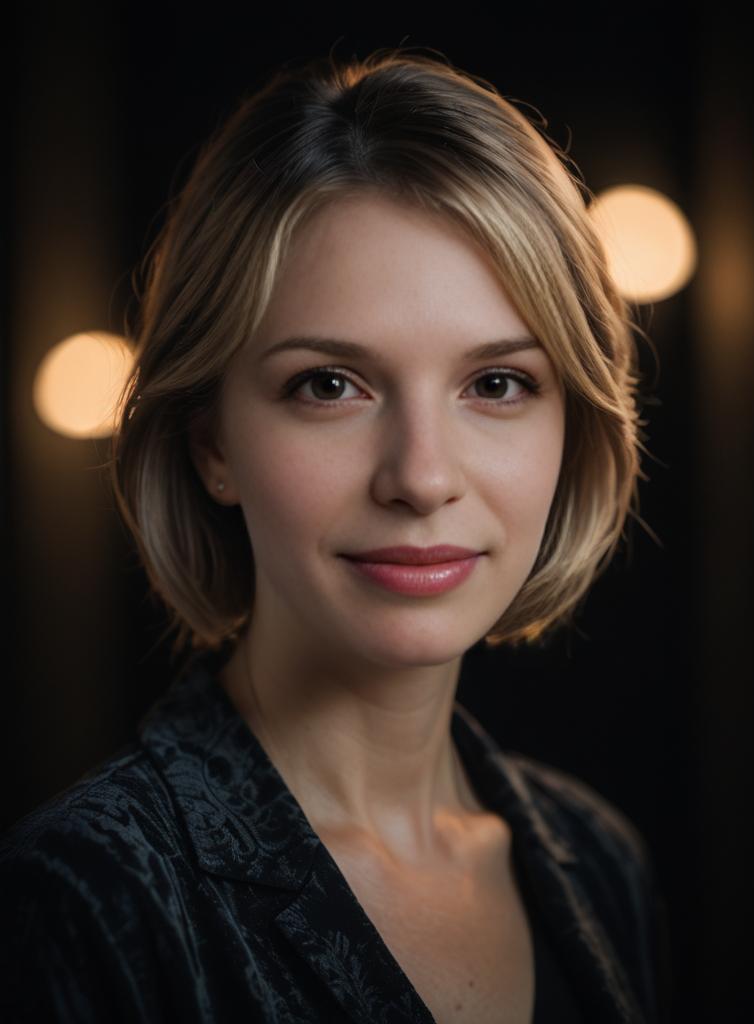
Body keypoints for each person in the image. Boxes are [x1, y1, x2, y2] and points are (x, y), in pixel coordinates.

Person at [0, 47, 672, 1023]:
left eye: (497, 384)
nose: (422, 476)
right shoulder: (81, 899)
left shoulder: (601, 862)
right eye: (330, 385)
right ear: (211, 442)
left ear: (573, 426)